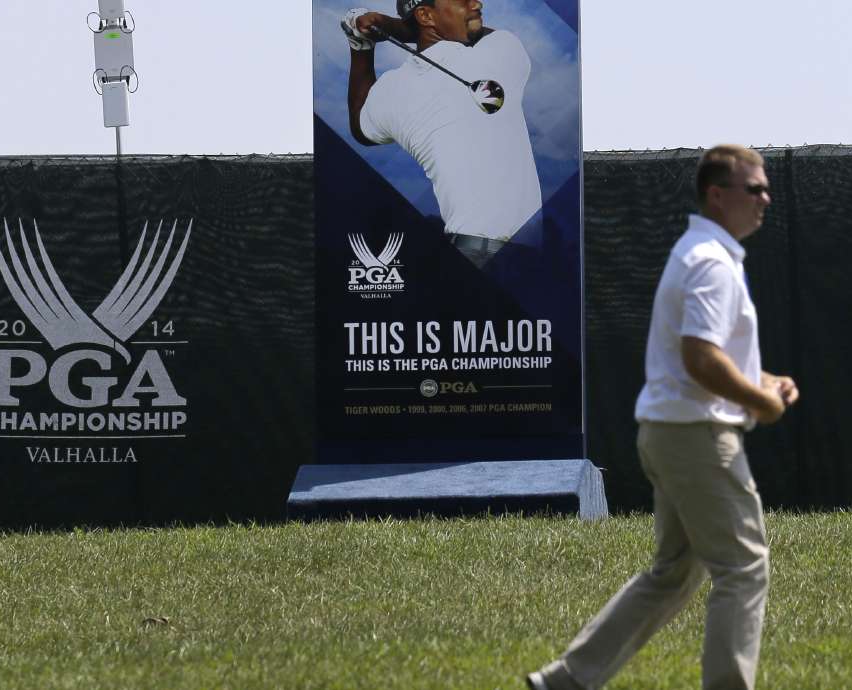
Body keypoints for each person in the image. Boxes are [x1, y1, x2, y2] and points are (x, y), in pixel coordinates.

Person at [526, 145, 799, 690]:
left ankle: (566, 680)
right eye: (754, 189)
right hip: (698, 437)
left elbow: (700, 354)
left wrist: (763, 380)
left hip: (670, 433)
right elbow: (700, 358)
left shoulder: (703, 254)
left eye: (767, 188)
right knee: (743, 568)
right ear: (716, 195)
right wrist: (761, 401)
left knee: (673, 574)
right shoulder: (711, 263)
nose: (766, 198)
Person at [340, 0, 542, 267]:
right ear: (425, 15)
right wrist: (392, 26)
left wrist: (361, 45)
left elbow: (360, 127)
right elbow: (476, 32)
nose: (476, 3)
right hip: (515, 253)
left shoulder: (392, 92)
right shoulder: (501, 51)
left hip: (471, 252)